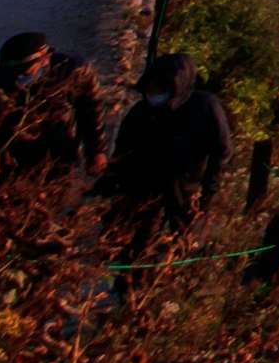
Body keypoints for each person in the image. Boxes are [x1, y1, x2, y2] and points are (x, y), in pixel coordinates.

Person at [94, 54, 235, 266]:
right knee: (137, 249)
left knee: (185, 246)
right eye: (151, 88)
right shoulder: (141, 113)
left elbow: (221, 151)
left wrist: (208, 193)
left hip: (183, 190)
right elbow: (122, 154)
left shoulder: (204, 107)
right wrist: (105, 187)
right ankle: (135, 283)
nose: (155, 94)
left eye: (160, 88)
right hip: (143, 190)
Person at [0, 31, 101, 187]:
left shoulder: (70, 71)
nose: (17, 77)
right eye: (13, 73)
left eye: (25, 72)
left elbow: (90, 111)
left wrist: (96, 151)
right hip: (11, 170)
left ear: (44, 59)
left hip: (58, 160)